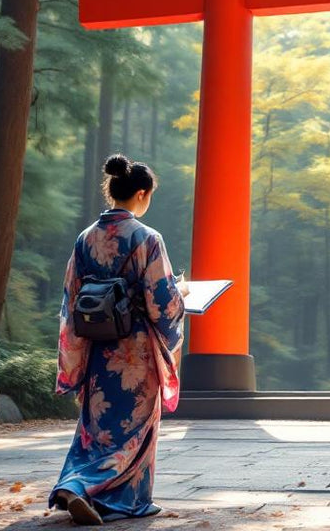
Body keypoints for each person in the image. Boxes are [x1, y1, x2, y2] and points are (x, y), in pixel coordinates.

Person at [50, 154, 186, 525]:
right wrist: (182, 296)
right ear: (141, 194)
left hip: (98, 348)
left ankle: (76, 485)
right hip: (135, 351)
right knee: (134, 431)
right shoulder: (147, 238)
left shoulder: (86, 238)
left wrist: (74, 354)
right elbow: (162, 303)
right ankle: (95, 492)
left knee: (97, 428)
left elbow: (71, 298)